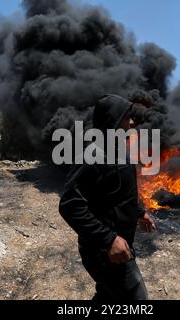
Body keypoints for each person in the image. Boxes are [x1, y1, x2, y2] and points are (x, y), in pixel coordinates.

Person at [59, 94, 156, 301]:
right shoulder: (92, 156)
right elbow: (69, 205)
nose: (132, 122)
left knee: (107, 295)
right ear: (113, 120)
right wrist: (109, 239)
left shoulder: (118, 150)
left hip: (120, 246)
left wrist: (140, 212)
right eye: (126, 117)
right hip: (103, 252)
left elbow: (121, 194)